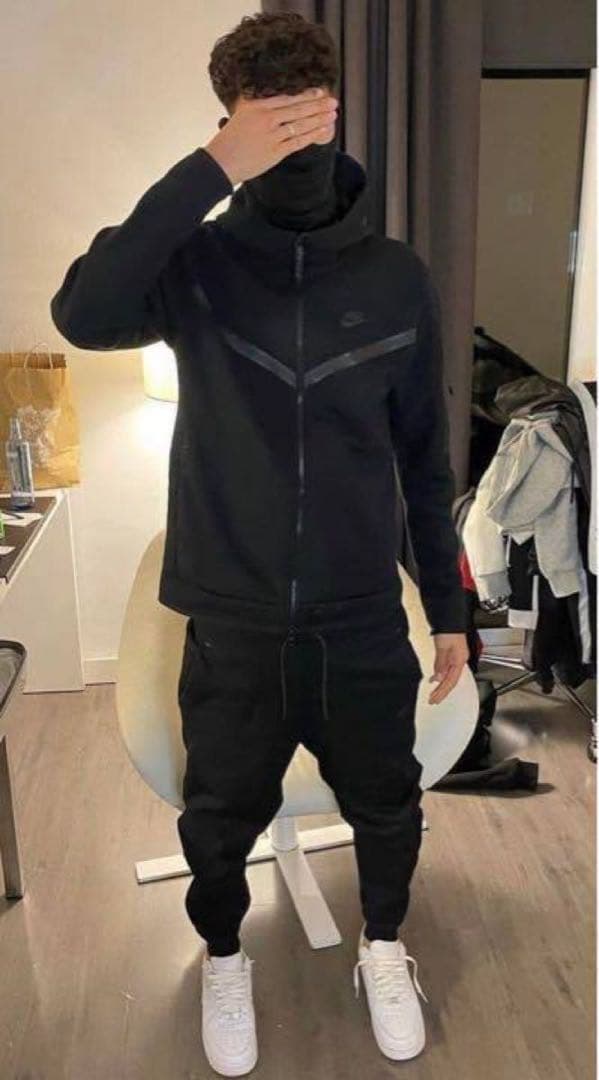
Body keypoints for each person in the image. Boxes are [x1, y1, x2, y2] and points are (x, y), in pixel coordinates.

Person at [50, 10, 469, 1077]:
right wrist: (207, 171)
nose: (288, 140)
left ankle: (383, 947)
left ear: (333, 112)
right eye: (259, 122)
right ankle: (225, 957)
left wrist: (451, 609)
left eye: (303, 116)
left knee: (387, 803)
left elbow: (424, 457)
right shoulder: (195, 265)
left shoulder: (395, 277)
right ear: (230, 123)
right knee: (218, 817)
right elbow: (83, 312)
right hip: (231, 615)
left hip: (359, 612)